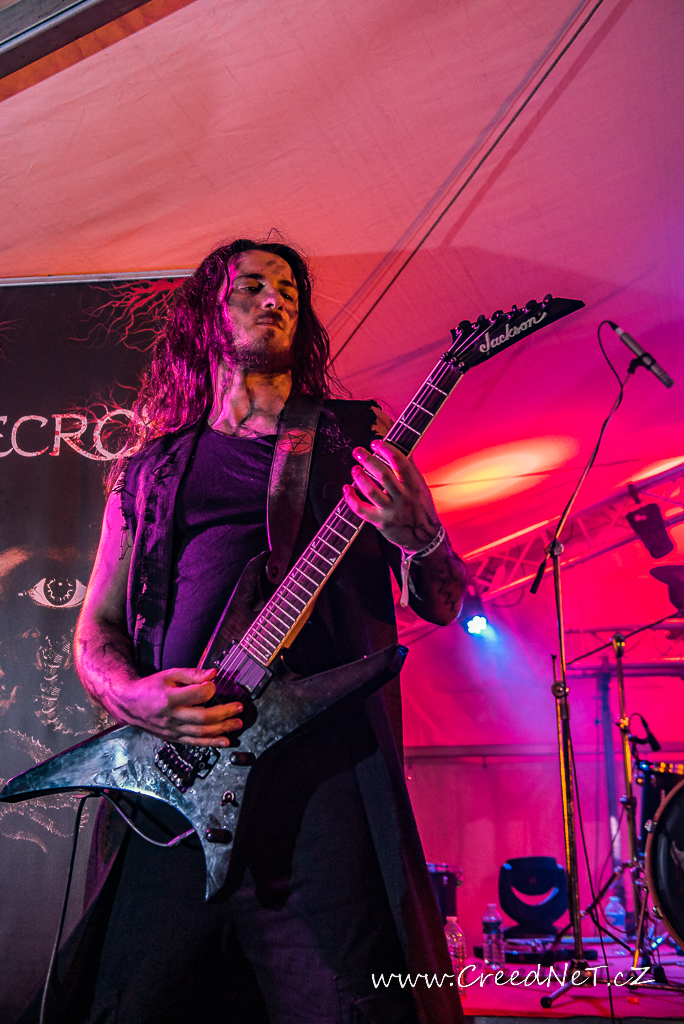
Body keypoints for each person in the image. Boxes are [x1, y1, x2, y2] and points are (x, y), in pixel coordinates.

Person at [28, 239, 467, 1024]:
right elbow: (97, 629)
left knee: (349, 1003)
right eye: (254, 285)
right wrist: (134, 696)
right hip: (173, 790)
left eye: (290, 289)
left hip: (320, 787)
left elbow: (441, 602)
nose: (276, 298)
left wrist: (422, 534)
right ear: (208, 311)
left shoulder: (354, 438)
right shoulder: (150, 470)